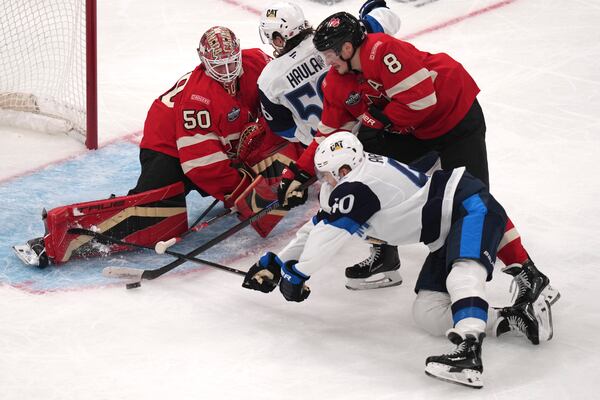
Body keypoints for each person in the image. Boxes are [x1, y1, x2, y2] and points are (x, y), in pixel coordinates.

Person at [279, 11, 559, 303]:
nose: (327, 62)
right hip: (414, 130)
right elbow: (328, 133)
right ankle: (384, 254)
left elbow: (423, 100)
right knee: (363, 170)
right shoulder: (337, 82)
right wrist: (298, 173)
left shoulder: (382, 50)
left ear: (347, 48)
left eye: (329, 54)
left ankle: (527, 272)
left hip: (455, 116)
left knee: (474, 202)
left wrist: (381, 119)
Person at [241, 131, 554, 389]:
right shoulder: (349, 181)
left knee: (462, 274)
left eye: (326, 175)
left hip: (465, 205)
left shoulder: (358, 186)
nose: (323, 181)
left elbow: (329, 238)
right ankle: (512, 318)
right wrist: (276, 262)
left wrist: (298, 274)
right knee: (428, 313)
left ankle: (469, 354)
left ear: (345, 170)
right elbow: (316, 228)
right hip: (444, 232)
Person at [13, 26, 301, 268]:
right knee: (153, 216)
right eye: (219, 66)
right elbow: (202, 166)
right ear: (203, 61)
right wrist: (247, 197)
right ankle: (57, 238)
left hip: (216, 141)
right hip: (168, 147)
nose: (227, 72)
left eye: (231, 63)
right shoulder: (197, 101)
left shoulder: (257, 62)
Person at [257, 0, 403, 290]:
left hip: (330, 147)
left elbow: (282, 128)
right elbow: (388, 21)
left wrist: (312, 139)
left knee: (348, 201)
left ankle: (385, 253)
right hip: (375, 125)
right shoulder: (330, 38)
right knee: (384, 190)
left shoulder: (269, 78)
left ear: (274, 38)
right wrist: (373, 8)